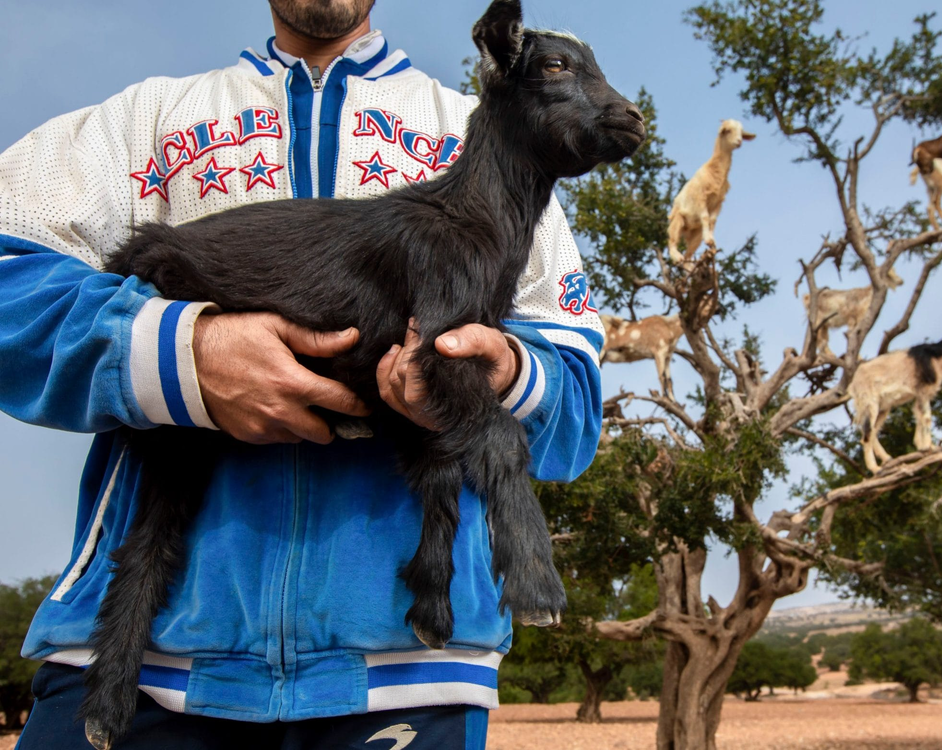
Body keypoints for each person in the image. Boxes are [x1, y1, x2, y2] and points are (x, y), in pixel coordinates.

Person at [0, 1, 604, 747]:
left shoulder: (493, 134)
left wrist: (500, 370)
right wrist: (180, 354)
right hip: (141, 666)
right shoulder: (146, 124)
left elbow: (574, 401)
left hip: (409, 673)